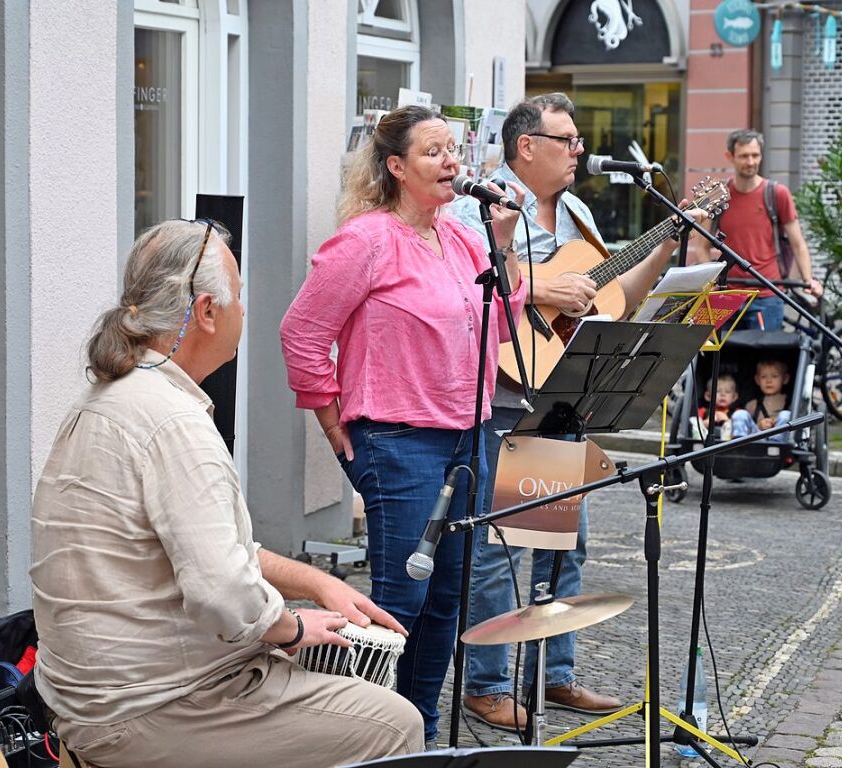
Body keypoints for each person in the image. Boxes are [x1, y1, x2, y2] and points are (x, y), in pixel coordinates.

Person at [30, 219, 424, 768]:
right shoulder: (173, 422)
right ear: (208, 312)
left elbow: (212, 549)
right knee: (395, 724)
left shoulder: (106, 397)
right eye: (238, 296)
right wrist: (290, 630)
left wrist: (317, 582)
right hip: (150, 708)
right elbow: (221, 591)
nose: (245, 311)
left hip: (92, 696)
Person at [449, 92, 705, 729]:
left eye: (580, 142)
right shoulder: (474, 203)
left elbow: (614, 297)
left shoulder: (579, 213)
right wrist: (539, 285)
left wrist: (666, 249)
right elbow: (456, 281)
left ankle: (552, 675)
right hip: (501, 395)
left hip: (562, 396)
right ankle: (484, 684)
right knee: (498, 548)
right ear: (526, 147)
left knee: (563, 544)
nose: (580, 152)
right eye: (568, 141)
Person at [280, 105, 527, 747]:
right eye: (435, 152)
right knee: (400, 599)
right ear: (396, 167)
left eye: (454, 150)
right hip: (397, 441)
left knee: (448, 595)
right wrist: (333, 420)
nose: (453, 163)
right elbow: (303, 333)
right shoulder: (365, 239)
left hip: (469, 437)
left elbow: (498, 332)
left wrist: (502, 248)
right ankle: (373, 736)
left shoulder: (466, 238)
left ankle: (422, 730)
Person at [691, 129, 823, 331]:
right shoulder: (719, 196)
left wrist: (808, 280)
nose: (751, 162)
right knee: (720, 360)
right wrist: (713, 281)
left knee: (768, 361)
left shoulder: (777, 194)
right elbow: (701, 246)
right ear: (730, 157)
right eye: (744, 156)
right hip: (728, 294)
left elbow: (798, 243)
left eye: (755, 155)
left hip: (767, 294)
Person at [731, 359, 791, 441]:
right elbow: (747, 424)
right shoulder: (752, 404)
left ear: (785, 379)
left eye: (774, 376)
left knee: (786, 415)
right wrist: (759, 425)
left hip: (780, 440)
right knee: (740, 414)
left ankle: (776, 444)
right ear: (757, 380)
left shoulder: (790, 401)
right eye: (763, 377)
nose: (769, 381)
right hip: (757, 437)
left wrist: (775, 422)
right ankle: (738, 443)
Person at [694, 373, 740, 440]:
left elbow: (740, 429)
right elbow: (693, 426)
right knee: (694, 420)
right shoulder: (703, 411)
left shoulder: (737, 413)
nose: (722, 394)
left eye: (727, 392)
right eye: (718, 391)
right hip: (705, 442)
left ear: (734, 397)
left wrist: (727, 421)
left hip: (730, 444)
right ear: (708, 396)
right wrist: (705, 423)